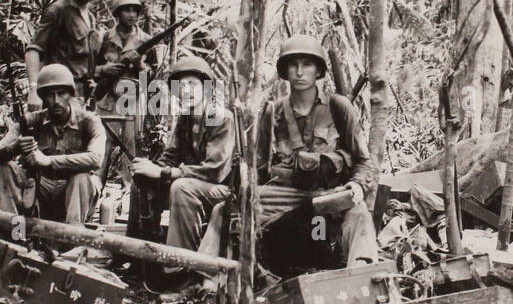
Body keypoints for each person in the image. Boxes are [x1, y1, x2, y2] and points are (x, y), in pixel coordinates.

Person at [199, 34, 378, 271]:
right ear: (285, 70)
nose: (300, 72)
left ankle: (364, 280)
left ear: (318, 70)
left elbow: (364, 161)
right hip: (284, 197)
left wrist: (356, 186)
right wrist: (244, 183)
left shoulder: (339, 107)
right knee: (226, 210)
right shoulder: (273, 112)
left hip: (328, 196)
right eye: (293, 65)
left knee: (359, 214)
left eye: (307, 64)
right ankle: (208, 282)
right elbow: (260, 167)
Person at [128, 55, 235, 284]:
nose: (186, 90)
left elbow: (215, 171)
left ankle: (180, 271)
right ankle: (138, 258)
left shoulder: (221, 118)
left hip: (225, 192)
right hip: (197, 187)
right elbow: (170, 157)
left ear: (206, 88)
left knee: (181, 187)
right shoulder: (185, 120)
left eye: (192, 84)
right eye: (181, 85)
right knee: (141, 182)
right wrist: (149, 168)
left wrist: (166, 173)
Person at [0, 63, 107, 226]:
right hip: (38, 190)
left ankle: (70, 241)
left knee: (83, 177)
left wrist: (49, 161)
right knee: (3, 168)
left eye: (61, 93)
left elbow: (96, 159)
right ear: (43, 97)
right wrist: (14, 148)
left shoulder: (89, 122)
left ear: (71, 94)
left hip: (74, 196)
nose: (56, 101)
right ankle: (15, 233)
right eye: (50, 95)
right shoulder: (30, 122)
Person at [24, 0, 103, 107]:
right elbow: (33, 51)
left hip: (82, 95)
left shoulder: (91, 19)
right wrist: (34, 91)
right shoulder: (58, 10)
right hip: (59, 93)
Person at [93, 0, 150, 184]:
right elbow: (89, 69)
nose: (132, 14)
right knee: (102, 144)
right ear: (118, 13)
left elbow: (153, 79)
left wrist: (140, 64)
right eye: (127, 10)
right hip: (107, 98)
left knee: (131, 147)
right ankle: (94, 187)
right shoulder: (104, 39)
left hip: (131, 100)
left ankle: (130, 192)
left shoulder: (145, 40)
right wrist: (105, 69)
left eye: (135, 10)